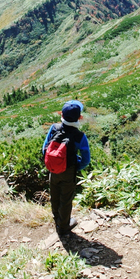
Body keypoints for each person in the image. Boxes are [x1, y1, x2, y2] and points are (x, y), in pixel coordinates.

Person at [42, 100, 91, 235]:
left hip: (53, 169)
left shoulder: (54, 128)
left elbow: (44, 149)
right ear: (79, 117)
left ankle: (56, 217)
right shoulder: (80, 136)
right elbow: (86, 160)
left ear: (61, 115)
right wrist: (76, 166)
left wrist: (53, 162)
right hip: (69, 171)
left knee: (55, 192)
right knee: (66, 198)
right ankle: (63, 226)